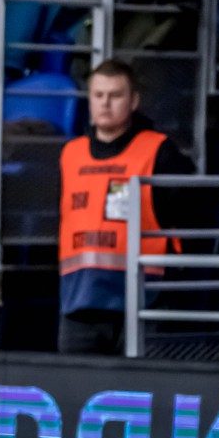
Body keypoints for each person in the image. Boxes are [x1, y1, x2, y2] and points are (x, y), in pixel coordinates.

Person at [56, 58, 192, 355]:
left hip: (144, 302)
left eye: (115, 95)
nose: (105, 103)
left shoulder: (159, 151)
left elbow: (188, 214)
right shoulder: (70, 154)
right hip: (79, 303)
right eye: (98, 95)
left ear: (134, 101)